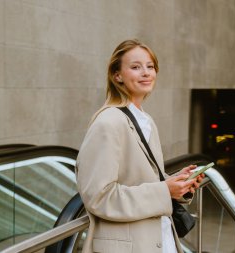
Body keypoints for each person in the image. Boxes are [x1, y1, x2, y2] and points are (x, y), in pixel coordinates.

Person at [76, 39, 204, 253]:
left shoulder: (146, 121)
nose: (146, 72)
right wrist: (164, 191)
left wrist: (176, 183)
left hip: (159, 240)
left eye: (150, 66)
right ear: (117, 76)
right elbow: (99, 197)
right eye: (135, 67)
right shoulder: (108, 123)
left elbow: (142, 180)